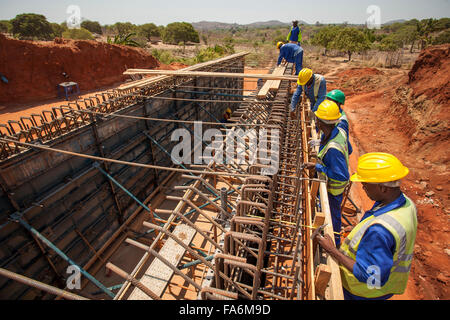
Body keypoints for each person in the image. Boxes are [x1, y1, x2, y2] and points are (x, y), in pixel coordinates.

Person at [316, 153, 417, 300]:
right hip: (386, 287)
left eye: (366, 184)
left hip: (362, 292)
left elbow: (371, 277)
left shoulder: (380, 230)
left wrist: (332, 251)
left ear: (383, 188)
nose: (362, 187)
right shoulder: (406, 204)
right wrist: (360, 230)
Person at [305, 100, 350, 246]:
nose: (316, 121)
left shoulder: (333, 150)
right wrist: (319, 143)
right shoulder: (338, 130)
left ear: (321, 122)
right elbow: (349, 149)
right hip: (331, 182)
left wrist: (319, 167)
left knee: (332, 216)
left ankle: (334, 243)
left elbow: (340, 176)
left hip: (333, 189)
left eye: (317, 119)